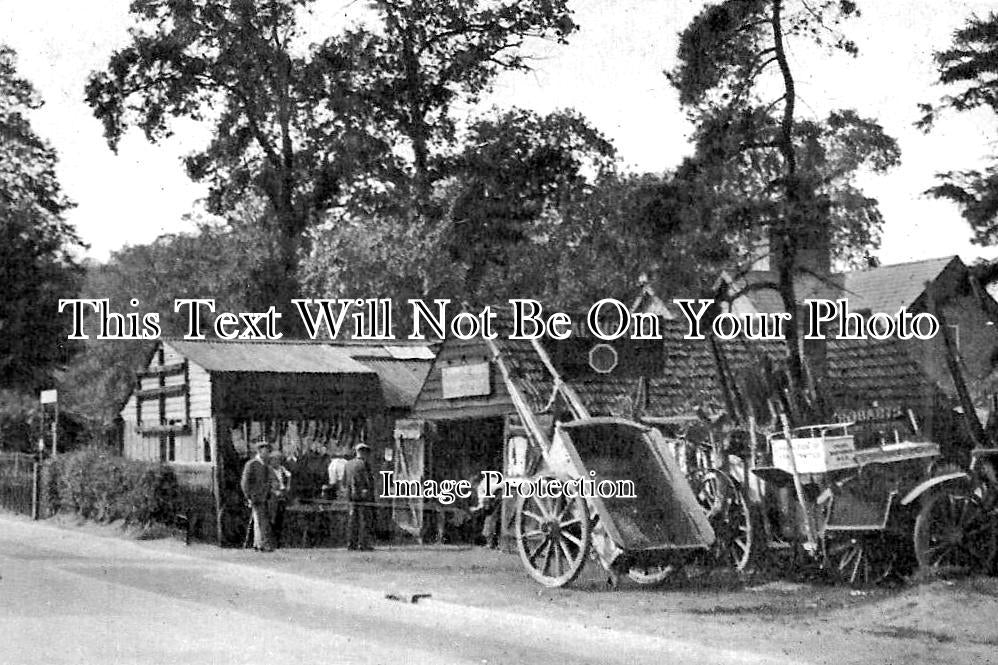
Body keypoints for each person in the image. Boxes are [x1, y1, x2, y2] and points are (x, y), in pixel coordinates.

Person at [240, 439, 274, 552]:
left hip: (265, 497)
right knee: (261, 521)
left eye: (268, 451)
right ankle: (263, 544)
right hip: (256, 497)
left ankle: (257, 543)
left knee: (259, 520)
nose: (267, 453)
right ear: (259, 452)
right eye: (265, 451)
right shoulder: (251, 464)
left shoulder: (266, 465)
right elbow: (245, 482)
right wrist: (248, 496)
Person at [342, 442, 375, 550]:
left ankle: (351, 543)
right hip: (363, 496)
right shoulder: (364, 464)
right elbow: (368, 480)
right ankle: (363, 544)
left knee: (352, 521)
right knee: (364, 520)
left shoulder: (348, 464)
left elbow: (344, 481)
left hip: (351, 496)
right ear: (363, 452)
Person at [268, 451, 292, 548]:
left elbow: (289, 476)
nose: (276, 462)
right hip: (272, 498)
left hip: (282, 496)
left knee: (280, 519)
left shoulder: (282, 469)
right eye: (274, 460)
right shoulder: (268, 470)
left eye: (278, 460)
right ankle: (272, 541)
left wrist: (287, 486)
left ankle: (279, 541)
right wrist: (274, 491)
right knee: (272, 519)